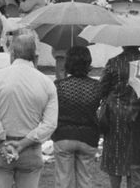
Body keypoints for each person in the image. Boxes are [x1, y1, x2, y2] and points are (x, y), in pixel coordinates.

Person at [0, 32, 58, 188]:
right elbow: (50, 124)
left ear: (12, 54)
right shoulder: (47, 83)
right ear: (35, 56)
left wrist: (2, 139)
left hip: (0, 148)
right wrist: (23, 143)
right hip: (30, 149)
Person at [52, 46, 101, 188]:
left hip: (64, 135)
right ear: (88, 63)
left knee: (63, 180)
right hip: (88, 136)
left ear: (68, 63)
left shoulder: (59, 86)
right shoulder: (96, 86)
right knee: (85, 180)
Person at [98, 44, 140, 188]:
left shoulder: (113, 63)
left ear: (124, 43)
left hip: (114, 115)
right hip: (138, 113)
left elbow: (101, 89)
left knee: (115, 154)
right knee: (134, 155)